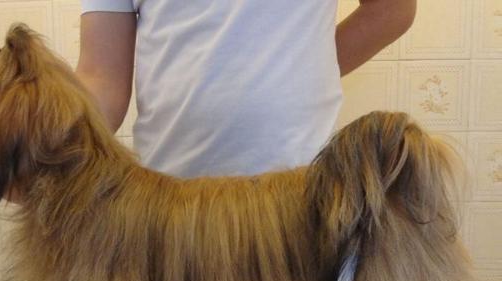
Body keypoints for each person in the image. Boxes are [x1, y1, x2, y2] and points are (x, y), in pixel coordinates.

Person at [76, 0, 416, 178]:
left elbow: (391, 9)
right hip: (171, 198)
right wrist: (53, 155)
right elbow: (101, 77)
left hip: (298, 192)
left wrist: (305, 67)